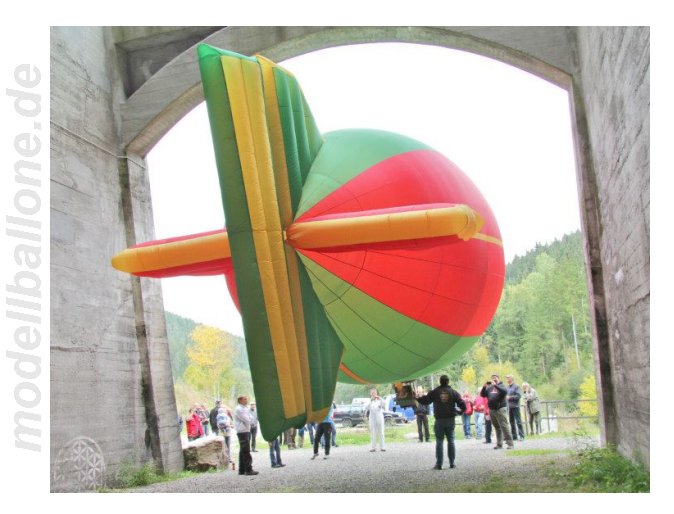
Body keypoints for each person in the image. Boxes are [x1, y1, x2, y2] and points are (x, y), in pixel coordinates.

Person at [416, 375, 466, 469]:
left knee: (439, 441)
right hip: (450, 419)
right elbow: (463, 404)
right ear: (448, 381)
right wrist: (459, 412)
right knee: (451, 441)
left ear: (440, 381)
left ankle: (439, 464)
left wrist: (416, 397)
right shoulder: (453, 392)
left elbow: (425, 401)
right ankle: (452, 463)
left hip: (439, 420)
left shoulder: (435, 392)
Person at [480, 374, 514, 450]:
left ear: (498, 378)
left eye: (495, 378)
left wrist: (496, 385)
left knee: (504, 426)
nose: (494, 379)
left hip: (500, 409)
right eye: (492, 378)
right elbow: (483, 394)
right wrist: (484, 387)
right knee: (497, 427)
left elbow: (504, 392)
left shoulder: (502, 386)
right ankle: (499, 444)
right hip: (492, 410)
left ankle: (510, 444)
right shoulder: (490, 387)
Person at [234, 396, 258, 475]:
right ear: (240, 400)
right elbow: (246, 419)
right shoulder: (239, 409)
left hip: (246, 430)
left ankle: (241, 469)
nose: (246, 400)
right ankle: (248, 469)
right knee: (246, 450)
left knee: (242, 451)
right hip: (242, 430)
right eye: (244, 399)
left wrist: (250, 419)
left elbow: (250, 417)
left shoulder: (245, 408)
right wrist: (250, 420)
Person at [505, 374, 525, 441]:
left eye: (508, 378)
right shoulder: (507, 387)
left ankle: (521, 436)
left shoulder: (516, 386)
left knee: (518, 421)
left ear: (511, 379)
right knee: (511, 422)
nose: (507, 379)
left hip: (515, 406)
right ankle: (514, 436)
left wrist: (510, 397)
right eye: (507, 378)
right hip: (509, 407)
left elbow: (518, 396)